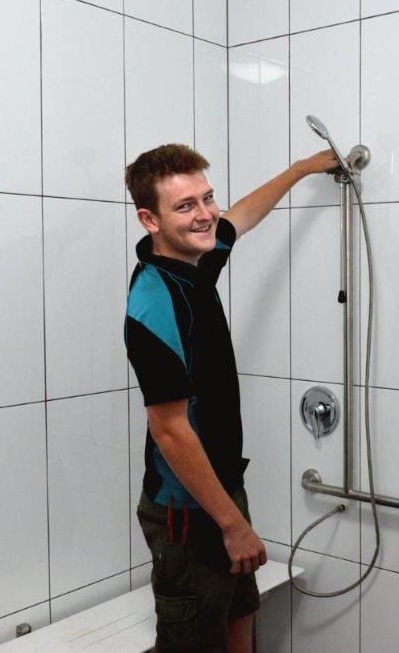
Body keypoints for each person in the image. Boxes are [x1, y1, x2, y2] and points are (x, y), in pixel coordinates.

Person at [124, 143, 337, 652]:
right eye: (185, 206)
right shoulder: (154, 304)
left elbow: (240, 217)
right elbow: (170, 430)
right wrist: (231, 523)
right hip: (188, 512)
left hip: (219, 492)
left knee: (240, 616)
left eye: (207, 197)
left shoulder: (194, 262)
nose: (205, 215)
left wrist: (301, 169)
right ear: (149, 219)